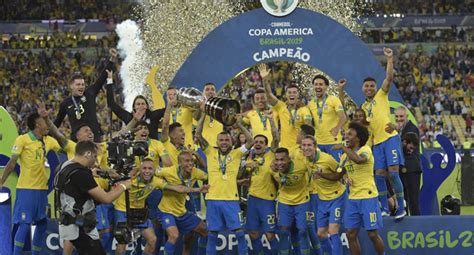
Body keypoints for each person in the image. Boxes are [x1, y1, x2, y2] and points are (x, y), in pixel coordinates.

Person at [0, 112, 63, 255]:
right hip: (26, 190)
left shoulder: (48, 141)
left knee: (42, 223)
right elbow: (11, 163)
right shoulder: (22, 140)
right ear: (37, 124)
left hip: (41, 190)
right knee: (24, 224)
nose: (47, 123)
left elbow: (64, 145)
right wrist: (1, 181)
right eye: (44, 121)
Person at [113, 158, 205, 255]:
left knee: (152, 240)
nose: (147, 171)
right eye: (144, 168)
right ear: (140, 169)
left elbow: (178, 188)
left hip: (139, 211)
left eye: (150, 169)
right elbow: (116, 181)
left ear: (154, 170)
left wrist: (198, 189)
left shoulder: (156, 181)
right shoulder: (131, 179)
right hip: (122, 210)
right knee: (122, 242)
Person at [56, 141, 131, 255]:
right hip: (79, 226)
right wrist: (124, 185)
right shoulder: (81, 174)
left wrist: (93, 173)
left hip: (72, 223)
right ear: (87, 154)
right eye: (95, 156)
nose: (96, 161)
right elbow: (106, 199)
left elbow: (73, 186)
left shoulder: (64, 165)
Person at [195, 110, 254, 255]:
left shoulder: (237, 153)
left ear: (232, 142)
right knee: (212, 235)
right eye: (221, 140)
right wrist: (203, 115)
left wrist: (239, 124)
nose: (224, 142)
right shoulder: (210, 152)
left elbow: (251, 141)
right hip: (213, 200)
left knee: (240, 233)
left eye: (227, 140)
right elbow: (198, 135)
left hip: (231, 200)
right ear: (216, 142)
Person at [361, 47, 406, 219]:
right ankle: (385, 209)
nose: (370, 88)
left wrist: (389, 59)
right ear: (363, 89)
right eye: (367, 86)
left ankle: (401, 208)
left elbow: (389, 78)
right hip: (377, 144)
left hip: (390, 139)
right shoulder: (364, 108)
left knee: (393, 173)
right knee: (378, 175)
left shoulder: (381, 95)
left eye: (372, 85)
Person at [334, 122, 385, 255]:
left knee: (372, 234)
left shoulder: (365, 150)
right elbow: (340, 173)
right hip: (352, 199)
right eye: (346, 133)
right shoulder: (345, 156)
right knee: (350, 234)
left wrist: (343, 148)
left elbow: (359, 160)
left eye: (350, 134)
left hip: (368, 198)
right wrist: (345, 177)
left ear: (358, 138)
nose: (346, 135)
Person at [54, 48, 117, 142]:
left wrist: (112, 59)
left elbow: (102, 78)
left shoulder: (90, 93)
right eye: (78, 84)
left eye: (83, 84)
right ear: (71, 86)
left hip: (95, 139)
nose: (81, 87)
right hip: (77, 141)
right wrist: (46, 135)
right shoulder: (65, 103)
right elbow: (57, 123)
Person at [156, 151, 209, 255]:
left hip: (181, 212)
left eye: (191, 161)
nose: (190, 164)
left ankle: (187, 252)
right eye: (187, 161)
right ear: (179, 163)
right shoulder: (168, 171)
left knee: (205, 231)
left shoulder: (195, 172)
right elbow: (152, 172)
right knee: (174, 235)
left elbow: (209, 177)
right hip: (165, 211)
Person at [302, 136, 346, 255]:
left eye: (309, 145)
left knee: (333, 231)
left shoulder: (327, 159)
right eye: (304, 145)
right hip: (322, 200)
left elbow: (340, 173)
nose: (306, 148)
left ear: (315, 147)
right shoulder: (305, 160)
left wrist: (322, 175)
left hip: (337, 197)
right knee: (321, 234)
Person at [244, 110, 279, 255]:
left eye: (261, 142)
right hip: (252, 199)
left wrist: (271, 120)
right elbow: (242, 178)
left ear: (266, 145)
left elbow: (276, 138)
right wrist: (247, 169)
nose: (258, 144)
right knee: (253, 233)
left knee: (270, 235)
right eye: (256, 142)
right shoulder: (250, 159)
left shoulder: (271, 154)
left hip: (268, 201)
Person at [259, 63, 312, 149]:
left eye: (294, 92)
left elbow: (308, 128)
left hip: (299, 150)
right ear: (286, 95)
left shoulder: (304, 110)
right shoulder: (281, 106)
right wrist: (264, 79)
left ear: (298, 95)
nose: (292, 94)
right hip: (284, 150)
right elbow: (269, 94)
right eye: (289, 92)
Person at [271, 147, 311, 255]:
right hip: (284, 202)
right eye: (277, 160)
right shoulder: (273, 168)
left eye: (282, 159)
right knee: (283, 232)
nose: (280, 163)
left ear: (289, 159)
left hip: (302, 201)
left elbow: (314, 170)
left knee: (302, 231)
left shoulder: (301, 165)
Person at [105, 70, 165, 139]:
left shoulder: (153, 116)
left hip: (153, 148)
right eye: (138, 104)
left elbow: (167, 110)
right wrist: (109, 80)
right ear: (134, 107)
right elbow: (111, 104)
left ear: (147, 106)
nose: (140, 106)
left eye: (143, 104)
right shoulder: (128, 117)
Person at [308, 75, 347, 161]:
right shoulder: (310, 104)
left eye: (321, 84)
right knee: (321, 170)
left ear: (326, 86)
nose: (318, 87)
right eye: (316, 84)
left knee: (337, 170)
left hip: (334, 142)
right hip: (318, 143)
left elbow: (343, 117)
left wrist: (337, 128)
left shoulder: (333, 100)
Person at [395, 106, 421, 215]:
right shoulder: (398, 130)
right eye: (396, 116)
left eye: (401, 116)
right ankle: (405, 227)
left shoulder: (412, 128)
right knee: (403, 200)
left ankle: (416, 227)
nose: (399, 119)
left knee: (413, 201)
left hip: (411, 168)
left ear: (407, 116)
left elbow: (408, 148)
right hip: (401, 168)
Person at [194, 83, 224, 147]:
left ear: (216, 93)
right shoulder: (198, 106)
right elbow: (196, 117)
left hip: (218, 147)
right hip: (202, 147)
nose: (210, 92)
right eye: (207, 90)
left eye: (212, 90)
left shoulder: (221, 108)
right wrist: (203, 107)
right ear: (203, 94)